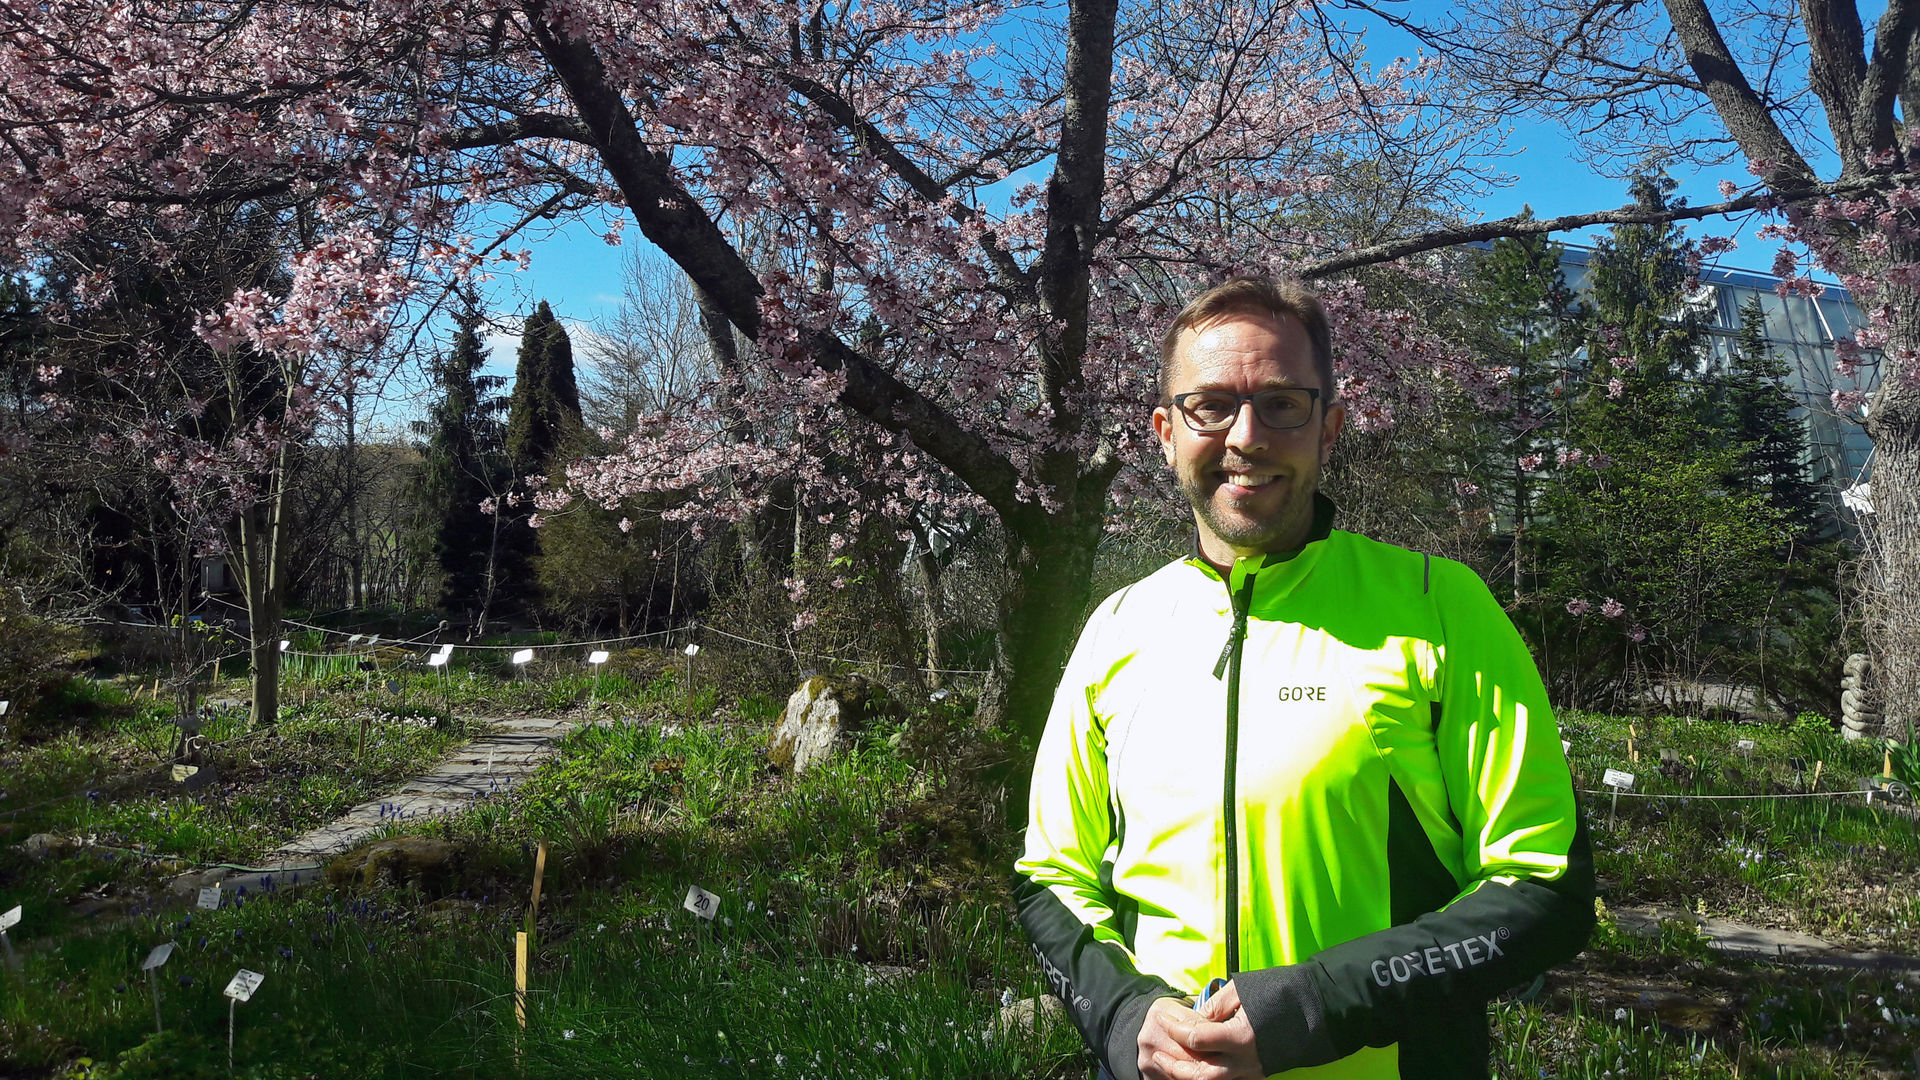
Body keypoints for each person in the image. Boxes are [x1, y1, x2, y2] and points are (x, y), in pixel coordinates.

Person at [1010, 277, 1593, 1080]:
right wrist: (1123, 1014)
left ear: (1329, 428)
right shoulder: (1117, 626)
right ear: (1166, 433)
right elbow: (1050, 876)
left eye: (1282, 404)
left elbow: (1544, 886)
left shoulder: (1439, 605)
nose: (1246, 437)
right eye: (1210, 406)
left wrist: (1316, 1007)